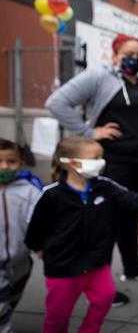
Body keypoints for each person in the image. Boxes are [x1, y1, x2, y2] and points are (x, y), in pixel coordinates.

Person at [45, 34, 138, 307]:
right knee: (106, 223)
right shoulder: (100, 77)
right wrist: (89, 132)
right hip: (115, 163)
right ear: (114, 55)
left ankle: (133, 266)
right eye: (128, 53)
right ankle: (100, 288)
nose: (134, 58)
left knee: (132, 216)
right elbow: (57, 102)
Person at [24, 137, 138, 333]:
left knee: (105, 297)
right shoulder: (51, 195)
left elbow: (129, 198)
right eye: (95, 158)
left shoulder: (104, 186)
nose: (101, 162)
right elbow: (36, 227)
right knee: (59, 315)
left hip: (97, 262)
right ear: (72, 163)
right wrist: (38, 247)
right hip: (64, 267)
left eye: (101, 156)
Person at [0, 139, 43, 333]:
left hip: (20, 263)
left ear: (20, 163)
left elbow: (40, 222)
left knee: (11, 301)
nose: (5, 166)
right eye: (0, 162)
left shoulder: (29, 191)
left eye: (11, 161)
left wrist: (42, 243)